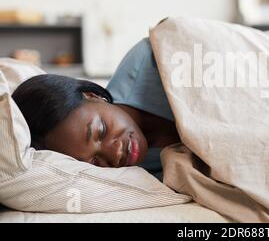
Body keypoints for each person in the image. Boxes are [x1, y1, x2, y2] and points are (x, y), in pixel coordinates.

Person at [12, 38, 179, 181]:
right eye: (94, 162)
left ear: (92, 96)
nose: (116, 153)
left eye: (101, 131)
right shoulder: (134, 175)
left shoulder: (151, 58)